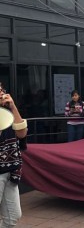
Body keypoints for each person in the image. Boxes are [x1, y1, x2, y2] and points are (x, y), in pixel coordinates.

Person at [0, 83, 28, 227]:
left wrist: (12, 106)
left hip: (11, 170)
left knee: (13, 216)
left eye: (1, 90)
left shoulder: (8, 111)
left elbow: (21, 133)